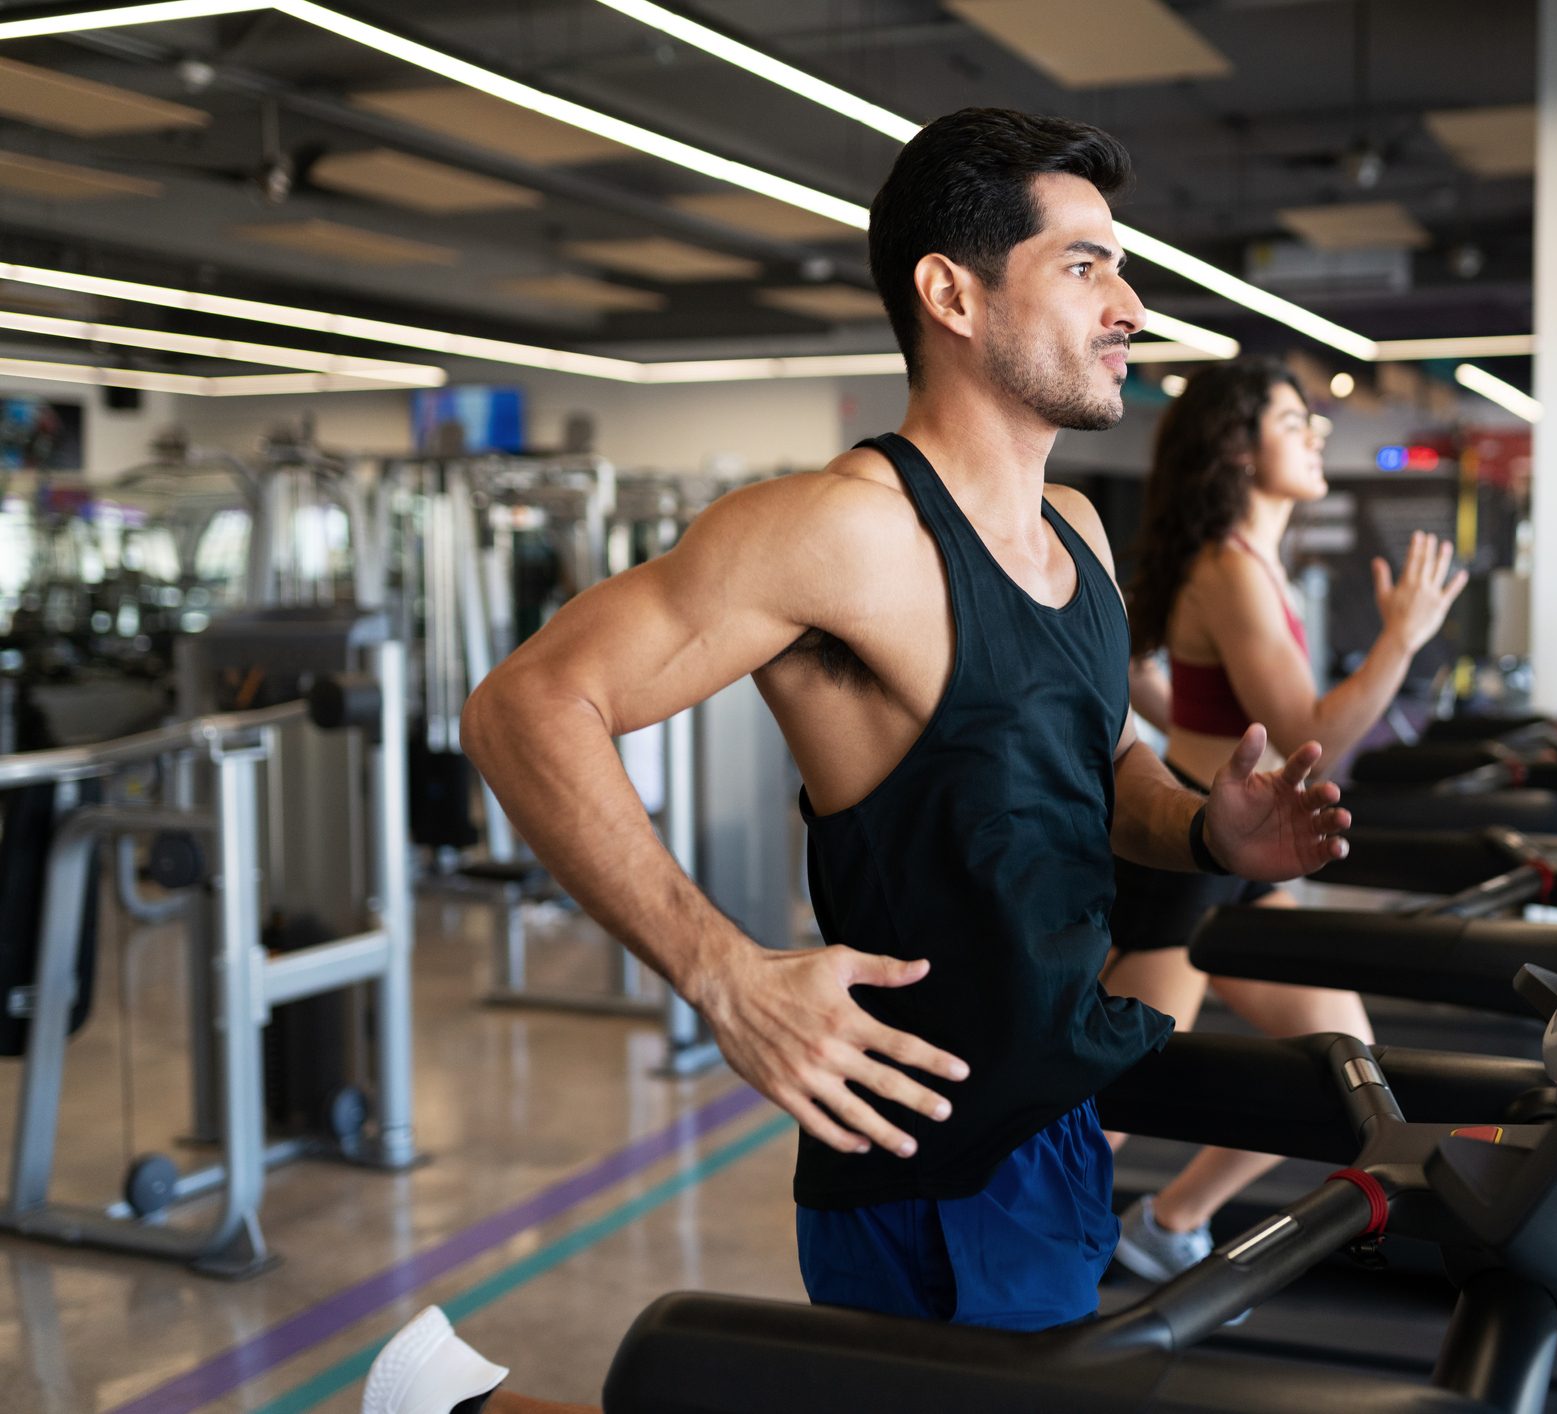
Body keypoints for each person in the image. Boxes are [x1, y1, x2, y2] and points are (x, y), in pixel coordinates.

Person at [362, 109, 1354, 1414]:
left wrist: (1217, 832)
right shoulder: (842, 529)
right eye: (1084, 265)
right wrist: (724, 971)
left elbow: (1109, 771)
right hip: (930, 1159)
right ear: (952, 291)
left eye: (1123, 268)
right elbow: (525, 705)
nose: (1129, 304)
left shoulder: (1078, 529)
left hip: (1055, 1116)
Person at [1101, 359, 1465, 1286]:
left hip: (1238, 854)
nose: (1317, 434)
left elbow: (1180, 688)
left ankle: (1168, 1221)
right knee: (1110, 1101)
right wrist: (1400, 641)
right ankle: (1010, 1261)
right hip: (1189, 858)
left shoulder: (1248, 561)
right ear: (1238, 446)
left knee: (1351, 1071)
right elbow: (1309, 737)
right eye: (1294, 421)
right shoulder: (1230, 566)